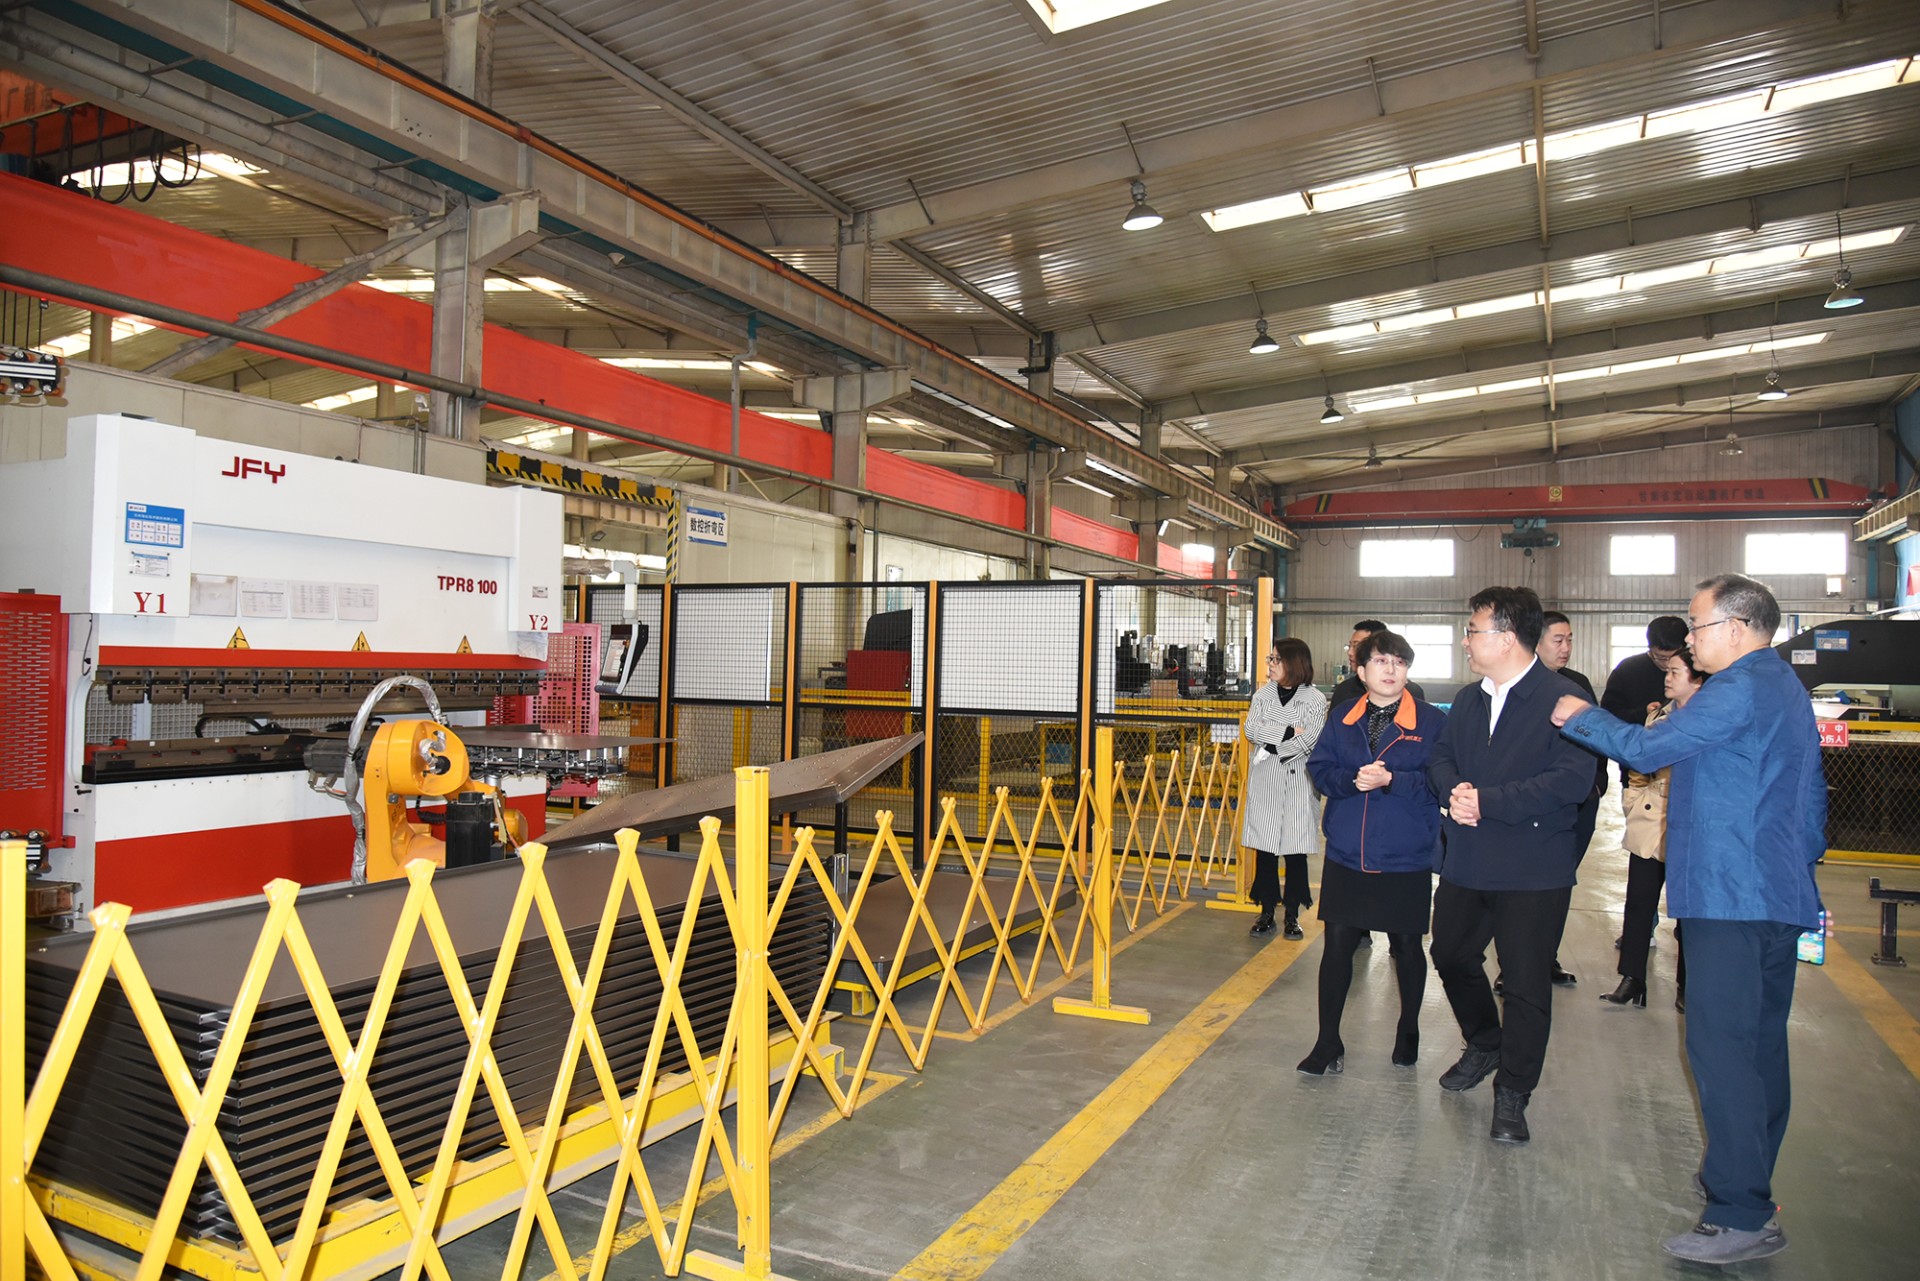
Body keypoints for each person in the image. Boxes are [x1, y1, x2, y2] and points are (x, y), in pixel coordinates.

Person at [1554, 574, 1823, 1266]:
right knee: (1758, 1049)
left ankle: (1740, 1212)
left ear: (1735, 628)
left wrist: (1578, 715)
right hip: (1776, 892)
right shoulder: (1784, 687)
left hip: (1731, 896)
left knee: (1721, 1049)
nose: (1689, 639)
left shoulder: (1737, 686)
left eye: (1697, 626)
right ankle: (1747, 1177)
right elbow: (1812, 802)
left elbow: (1647, 750)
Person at [1426, 586, 1596, 1144]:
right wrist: (1455, 792)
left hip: (1533, 867)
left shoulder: (1563, 699)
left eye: (1472, 631)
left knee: (1524, 983)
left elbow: (1572, 781)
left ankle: (1514, 1093)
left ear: (1505, 638)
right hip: (1469, 858)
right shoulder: (1468, 700)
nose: (1466, 641)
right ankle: (1485, 1042)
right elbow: (1441, 758)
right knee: (1450, 953)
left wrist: (1489, 802)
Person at [1300, 630, 1446, 1075]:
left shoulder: (1431, 722)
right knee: (1337, 946)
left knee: (1407, 945)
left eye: (1399, 662)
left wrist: (1392, 781)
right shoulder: (1342, 717)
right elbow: (1320, 768)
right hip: (1348, 852)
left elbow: (1442, 781)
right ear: (1361, 672)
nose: (1391, 669)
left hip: (1404, 854)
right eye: (1381, 661)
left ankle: (1408, 1029)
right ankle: (1327, 1041)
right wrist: (1351, 781)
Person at [1602, 645, 1703, 1010]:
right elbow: (1639, 765)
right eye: (1667, 670)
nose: (1666, 678)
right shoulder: (1659, 715)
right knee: (1639, 902)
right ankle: (1632, 977)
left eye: (1675, 672)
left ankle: (1687, 985)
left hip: (1690, 825)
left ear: (1697, 680)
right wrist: (1634, 799)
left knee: (1687, 910)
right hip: (1651, 819)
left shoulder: (1708, 721)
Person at [1535, 609, 1608, 986]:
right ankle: (1518, 966)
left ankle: (1546, 956)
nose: (1566, 648)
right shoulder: (1519, 687)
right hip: (1536, 802)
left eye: (1569, 640)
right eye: (1558, 640)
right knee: (1529, 887)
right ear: (1536, 641)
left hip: (1579, 801)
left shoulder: (1577, 684)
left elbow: (1596, 736)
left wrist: (1597, 783)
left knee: (1561, 882)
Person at [1241, 637, 1328, 940]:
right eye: (1270, 659)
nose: (1271, 664)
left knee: (1295, 851)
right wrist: (1290, 730)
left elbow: (1311, 739)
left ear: (1293, 662)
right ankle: (1266, 911)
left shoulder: (1314, 699)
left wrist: (1274, 744)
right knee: (1265, 849)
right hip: (1266, 779)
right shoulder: (1262, 695)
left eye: (1276, 659)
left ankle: (1293, 914)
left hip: (1297, 780)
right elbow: (1251, 729)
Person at [1600, 615, 1689, 728]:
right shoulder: (1627, 670)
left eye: (1674, 657)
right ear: (1649, 647)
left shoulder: (1695, 669)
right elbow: (1608, 714)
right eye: (1661, 657)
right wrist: (1643, 714)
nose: (1667, 664)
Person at [1329, 619, 1427, 707]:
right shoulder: (1344, 691)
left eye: (1357, 646)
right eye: (1350, 646)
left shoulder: (1413, 693)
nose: (1350, 652)